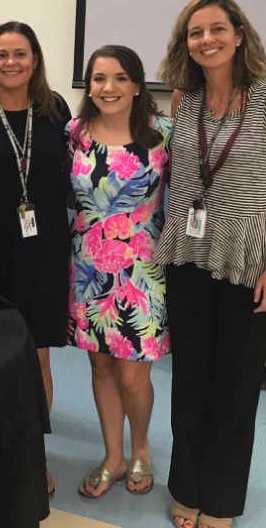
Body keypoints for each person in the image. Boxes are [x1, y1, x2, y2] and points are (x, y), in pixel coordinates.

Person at [154, 0, 266, 528]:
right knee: (190, 379)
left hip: (249, 264)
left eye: (217, 29)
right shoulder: (183, 100)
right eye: (196, 33)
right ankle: (187, 488)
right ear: (185, 44)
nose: (207, 40)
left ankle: (220, 500)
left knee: (235, 387)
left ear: (239, 35)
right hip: (190, 255)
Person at [0, 22, 72, 497]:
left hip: (45, 249)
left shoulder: (56, 110)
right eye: (1, 55)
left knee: (37, 358)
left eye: (20, 54)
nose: (10, 63)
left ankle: (32, 458)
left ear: (35, 60)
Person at [66, 46, 172, 500]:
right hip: (87, 265)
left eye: (120, 78)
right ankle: (112, 456)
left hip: (143, 269)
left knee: (133, 375)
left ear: (136, 85)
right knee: (101, 365)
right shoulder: (74, 133)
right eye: (98, 78)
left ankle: (141, 448)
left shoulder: (161, 134)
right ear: (89, 85)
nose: (108, 88)